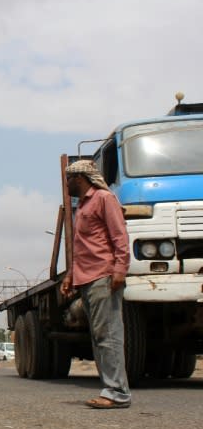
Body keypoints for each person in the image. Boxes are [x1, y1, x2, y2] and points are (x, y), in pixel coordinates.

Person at [60, 159, 132, 409]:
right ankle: (110, 389)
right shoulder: (82, 206)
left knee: (109, 336)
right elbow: (83, 247)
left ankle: (117, 392)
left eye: (69, 179)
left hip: (104, 276)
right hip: (87, 278)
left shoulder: (104, 198)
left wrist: (120, 270)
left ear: (80, 179)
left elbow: (119, 236)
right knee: (99, 336)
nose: (66, 184)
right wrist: (71, 275)